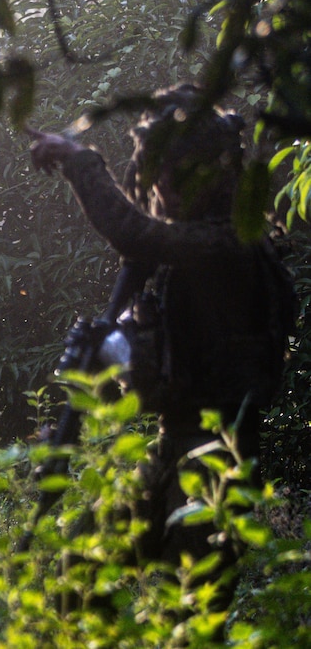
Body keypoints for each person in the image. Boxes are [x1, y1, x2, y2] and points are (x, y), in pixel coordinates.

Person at [27, 83, 295, 612]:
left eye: (178, 172)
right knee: (78, 570)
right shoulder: (193, 245)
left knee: (190, 612)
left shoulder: (228, 241)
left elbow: (137, 234)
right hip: (173, 446)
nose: (163, 184)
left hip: (217, 460)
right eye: (158, 170)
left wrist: (80, 161)